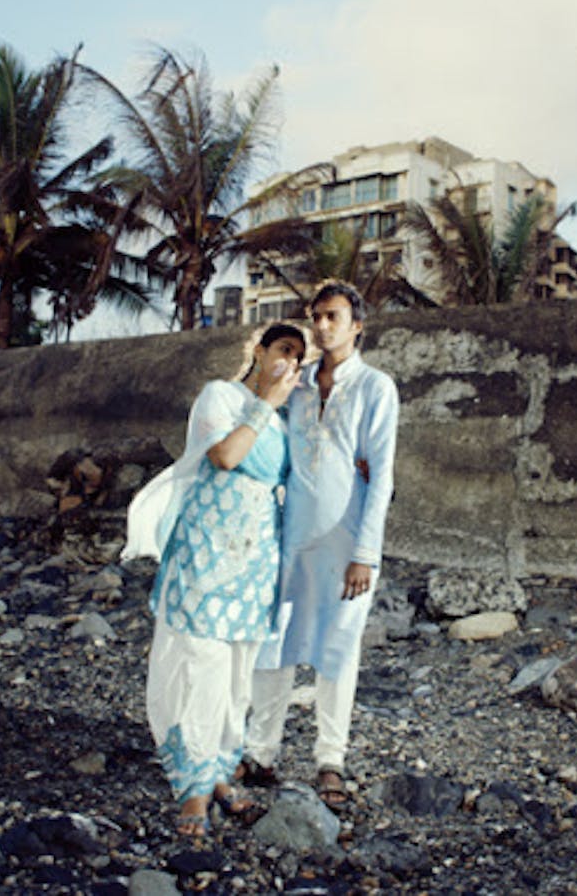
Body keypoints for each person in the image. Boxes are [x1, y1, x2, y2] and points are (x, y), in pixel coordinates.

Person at [123, 323, 305, 837]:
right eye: (283, 349)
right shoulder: (219, 397)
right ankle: (194, 789)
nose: (290, 362)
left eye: (298, 357)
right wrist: (265, 403)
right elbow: (225, 456)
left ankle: (220, 773)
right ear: (259, 351)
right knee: (199, 664)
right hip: (205, 554)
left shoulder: (284, 422)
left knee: (236, 675)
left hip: (255, 560)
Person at [240, 281, 399, 811]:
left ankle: (330, 760)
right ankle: (260, 752)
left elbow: (381, 474)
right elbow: (267, 440)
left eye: (333, 316)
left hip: (347, 542)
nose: (322, 326)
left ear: (358, 326)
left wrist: (366, 554)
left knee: (339, 649)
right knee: (274, 643)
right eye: (317, 317)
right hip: (291, 535)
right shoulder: (299, 384)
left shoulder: (375, 387)